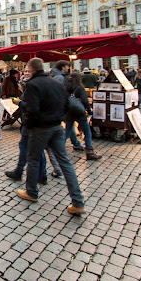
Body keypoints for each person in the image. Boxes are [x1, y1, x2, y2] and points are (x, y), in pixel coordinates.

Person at [16, 58, 86, 215]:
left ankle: (31, 191)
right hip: (56, 127)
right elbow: (67, 104)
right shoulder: (57, 83)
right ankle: (78, 201)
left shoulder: (34, 85)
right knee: (65, 163)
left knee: (33, 159)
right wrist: (58, 118)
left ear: (32, 69)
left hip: (40, 128)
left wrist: (30, 124)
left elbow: (33, 110)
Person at [5, 65, 47, 183]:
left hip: (32, 122)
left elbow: (32, 106)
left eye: (29, 71)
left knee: (31, 149)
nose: (26, 73)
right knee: (30, 148)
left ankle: (34, 175)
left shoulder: (34, 86)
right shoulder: (29, 85)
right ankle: (35, 173)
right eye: (25, 71)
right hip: (30, 121)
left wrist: (20, 102)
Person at [64, 72, 101, 160]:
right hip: (79, 112)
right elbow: (84, 100)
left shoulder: (66, 88)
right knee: (87, 131)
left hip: (68, 112)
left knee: (67, 130)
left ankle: (59, 148)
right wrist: (88, 110)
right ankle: (89, 151)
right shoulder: (80, 88)